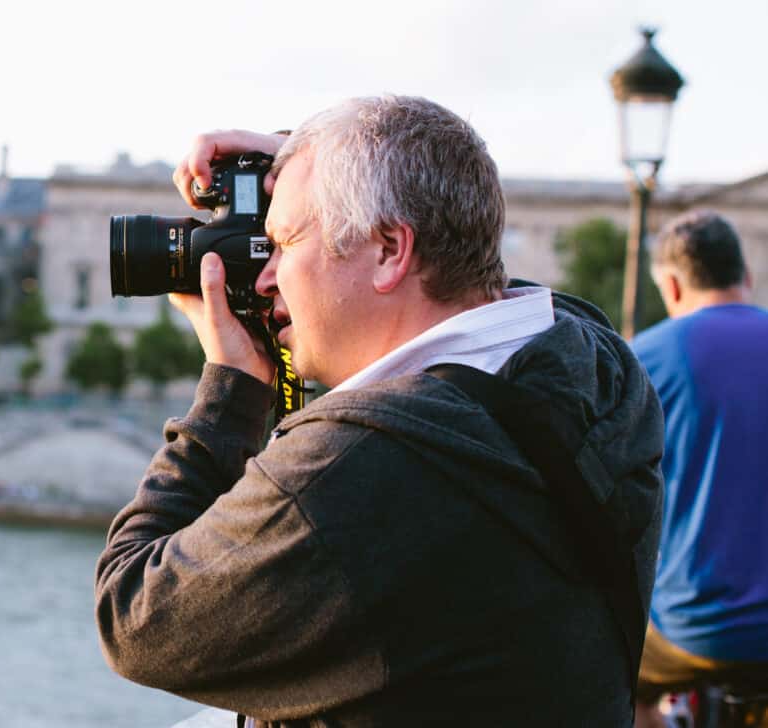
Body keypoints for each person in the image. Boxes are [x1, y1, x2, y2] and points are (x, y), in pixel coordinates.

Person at [94, 96, 665, 726]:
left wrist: (230, 390)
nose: (264, 276)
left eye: (282, 241)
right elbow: (456, 237)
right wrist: (309, 158)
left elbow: (134, 618)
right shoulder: (601, 367)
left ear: (391, 248)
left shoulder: (354, 471)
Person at [631, 210, 768, 727]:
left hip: (696, 628)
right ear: (746, 275)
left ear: (670, 284)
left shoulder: (641, 359)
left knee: (618, 682)